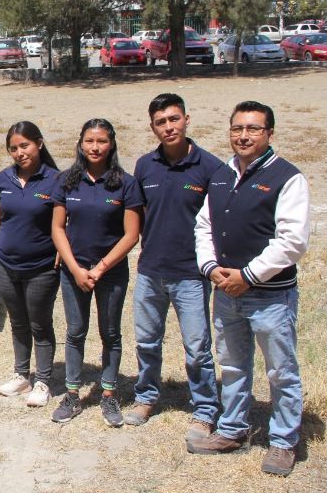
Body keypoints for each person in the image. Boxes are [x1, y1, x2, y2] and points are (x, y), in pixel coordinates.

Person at [190, 101, 309, 476]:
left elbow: (292, 242)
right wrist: (212, 269)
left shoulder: (288, 178)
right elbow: (204, 226)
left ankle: (283, 441)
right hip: (226, 292)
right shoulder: (222, 175)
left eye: (253, 129)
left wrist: (248, 275)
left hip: (270, 295)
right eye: (237, 128)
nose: (243, 136)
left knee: (281, 370)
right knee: (233, 365)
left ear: (269, 133)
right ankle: (232, 429)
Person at [124, 93, 222, 443]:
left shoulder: (210, 168)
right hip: (151, 271)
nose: (169, 127)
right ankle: (146, 397)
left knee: (197, 347)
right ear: (152, 127)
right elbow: (141, 214)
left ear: (186, 119)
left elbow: (217, 223)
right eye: (161, 122)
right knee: (147, 341)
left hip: (191, 275)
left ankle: (205, 408)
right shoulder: (144, 166)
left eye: (174, 119)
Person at [50, 118, 142, 427]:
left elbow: (131, 235)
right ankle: (73, 393)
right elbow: (57, 229)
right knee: (75, 332)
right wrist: (75, 269)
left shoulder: (125, 183)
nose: (95, 146)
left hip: (111, 273)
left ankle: (109, 394)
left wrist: (100, 268)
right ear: (80, 143)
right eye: (89, 140)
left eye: (101, 140)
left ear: (112, 144)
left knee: (110, 333)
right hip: (73, 271)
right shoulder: (67, 181)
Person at [0, 121, 61, 407]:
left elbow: (63, 223)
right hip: (6, 266)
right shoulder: (3, 179)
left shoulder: (55, 180)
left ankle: (42, 380)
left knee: (40, 324)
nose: (19, 153)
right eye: (13, 148)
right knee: (18, 322)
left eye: (25, 145)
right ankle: (22, 375)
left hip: (41, 268)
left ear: (39, 144)